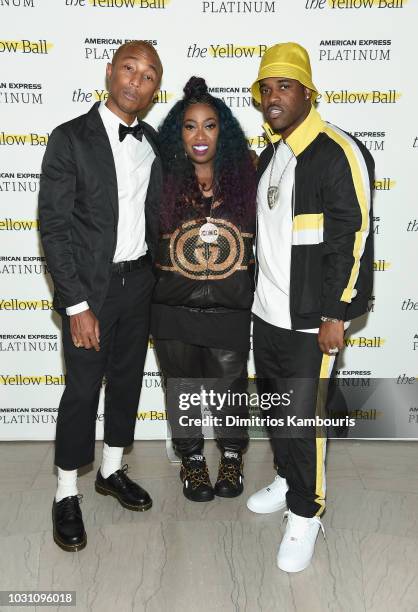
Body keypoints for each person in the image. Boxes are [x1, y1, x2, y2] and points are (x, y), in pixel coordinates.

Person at [246, 43, 374, 572]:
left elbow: (353, 236)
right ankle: (286, 476)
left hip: (310, 321)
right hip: (266, 313)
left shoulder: (336, 149)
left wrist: (336, 313)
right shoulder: (270, 155)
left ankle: (306, 512)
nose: (273, 98)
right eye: (266, 88)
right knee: (280, 412)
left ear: (308, 92)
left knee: (307, 419)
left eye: (285, 86)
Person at [38, 41, 163, 552]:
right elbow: (54, 225)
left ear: (157, 89)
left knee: (128, 381)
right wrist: (75, 304)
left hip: (142, 284)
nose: (137, 80)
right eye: (129, 69)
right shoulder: (69, 138)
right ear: (109, 71)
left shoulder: (154, 141)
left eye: (149, 75)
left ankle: (111, 470)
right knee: (83, 390)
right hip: (91, 290)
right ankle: (66, 493)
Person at [151, 77, 256, 502]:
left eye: (209, 125)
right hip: (173, 310)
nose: (199, 135)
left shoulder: (247, 179)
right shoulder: (158, 182)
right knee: (181, 389)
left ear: (222, 132)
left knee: (230, 388)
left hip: (230, 310)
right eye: (190, 126)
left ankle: (232, 456)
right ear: (178, 133)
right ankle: (191, 461)